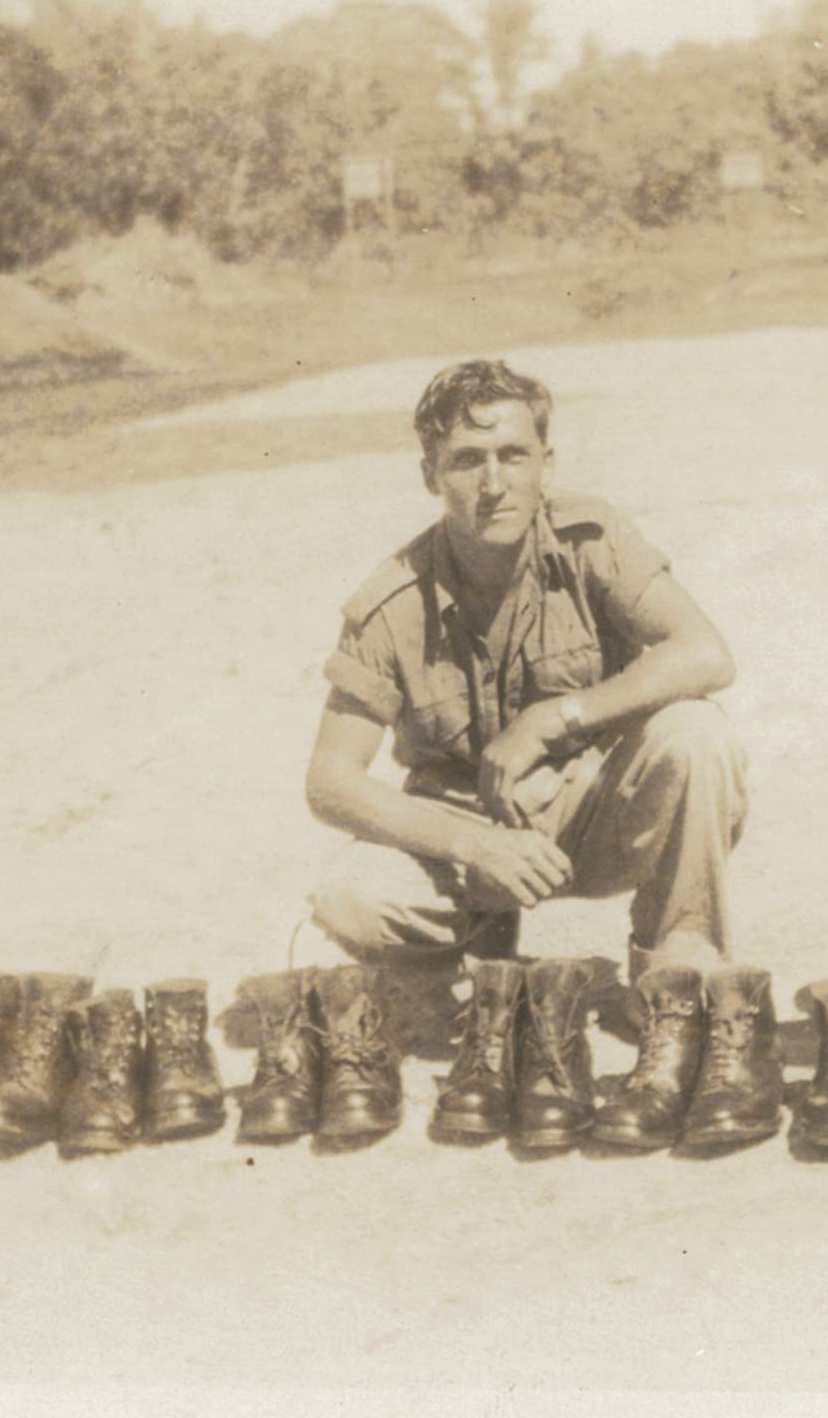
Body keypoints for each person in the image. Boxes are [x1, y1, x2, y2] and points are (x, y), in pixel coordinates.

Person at [297, 360, 777, 1152]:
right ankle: (489, 979)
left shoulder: (592, 540)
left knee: (699, 732)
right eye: (467, 460)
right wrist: (467, 842)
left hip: (595, 812)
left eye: (513, 456)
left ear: (545, 464)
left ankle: (670, 976)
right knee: (349, 895)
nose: (493, 482)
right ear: (430, 475)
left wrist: (560, 716)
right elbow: (329, 781)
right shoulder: (389, 602)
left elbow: (704, 654)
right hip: (470, 840)